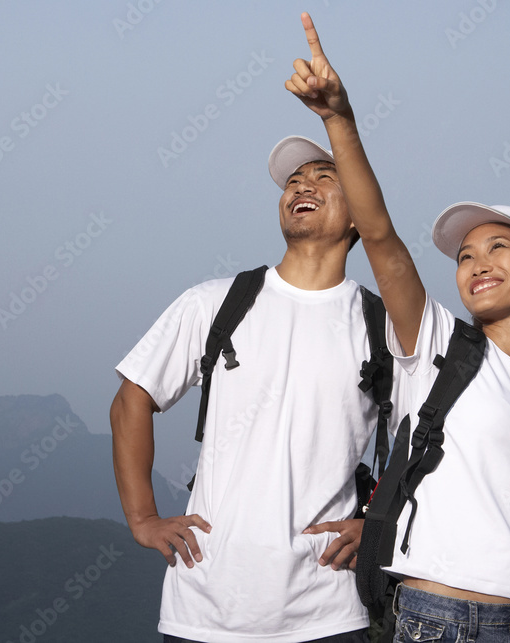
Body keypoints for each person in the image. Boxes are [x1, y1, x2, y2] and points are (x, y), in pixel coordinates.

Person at [285, 13, 510, 642]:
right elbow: (383, 239)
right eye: (465, 256)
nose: (476, 263)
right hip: (446, 620)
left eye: (498, 247)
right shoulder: (437, 346)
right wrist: (338, 119)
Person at [110, 134, 395, 642]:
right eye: (293, 180)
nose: (302, 185)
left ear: (359, 217)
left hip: (327, 610)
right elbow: (132, 400)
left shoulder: (384, 327)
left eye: (324, 176)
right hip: (204, 607)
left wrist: (380, 526)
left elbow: (432, 443)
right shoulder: (215, 303)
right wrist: (143, 518)